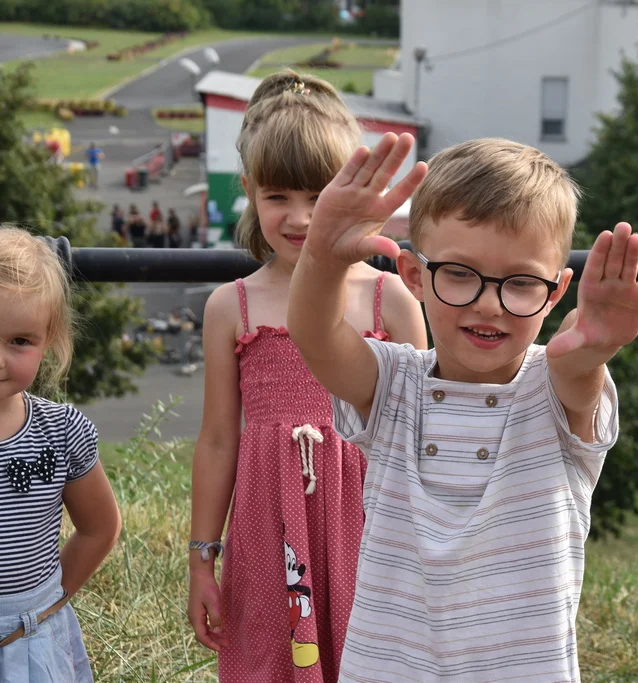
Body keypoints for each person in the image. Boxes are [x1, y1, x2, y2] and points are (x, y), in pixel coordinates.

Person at [288, 135, 638, 682]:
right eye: (460, 274)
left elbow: (576, 372)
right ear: (415, 277)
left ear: (556, 292)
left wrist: (594, 348)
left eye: (520, 283)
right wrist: (322, 255)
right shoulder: (392, 384)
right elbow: (316, 334)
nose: (489, 303)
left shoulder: (556, 387)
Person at [187, 71, 428, 683]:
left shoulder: (392, 301)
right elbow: (218, 439)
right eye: (278, 197)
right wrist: (200, 560)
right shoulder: (229, 307)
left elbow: (424, 433)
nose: (300, 219)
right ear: (248, 191)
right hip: (267, 533)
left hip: (371, 529)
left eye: (319, 197)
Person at [0, 225, 122, 682]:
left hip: (32, 643)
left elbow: (99, 527)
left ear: (48, 340)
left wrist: (48, 604)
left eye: (19, 341)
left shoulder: (61, 432)